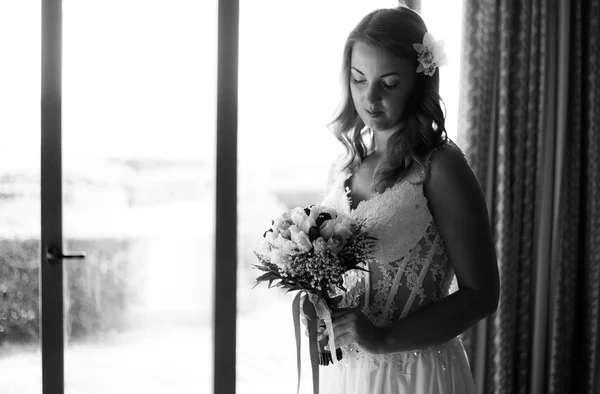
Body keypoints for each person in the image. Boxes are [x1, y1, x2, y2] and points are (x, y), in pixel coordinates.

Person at [302, 5, 500, 394]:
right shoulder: (343, 167)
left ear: (418, 82)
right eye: (359, 80)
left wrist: (384, 338)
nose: (370, 97)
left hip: (414, 375)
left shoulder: (440, 167)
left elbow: (482, 295)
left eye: (389, 83)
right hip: (346, 374)